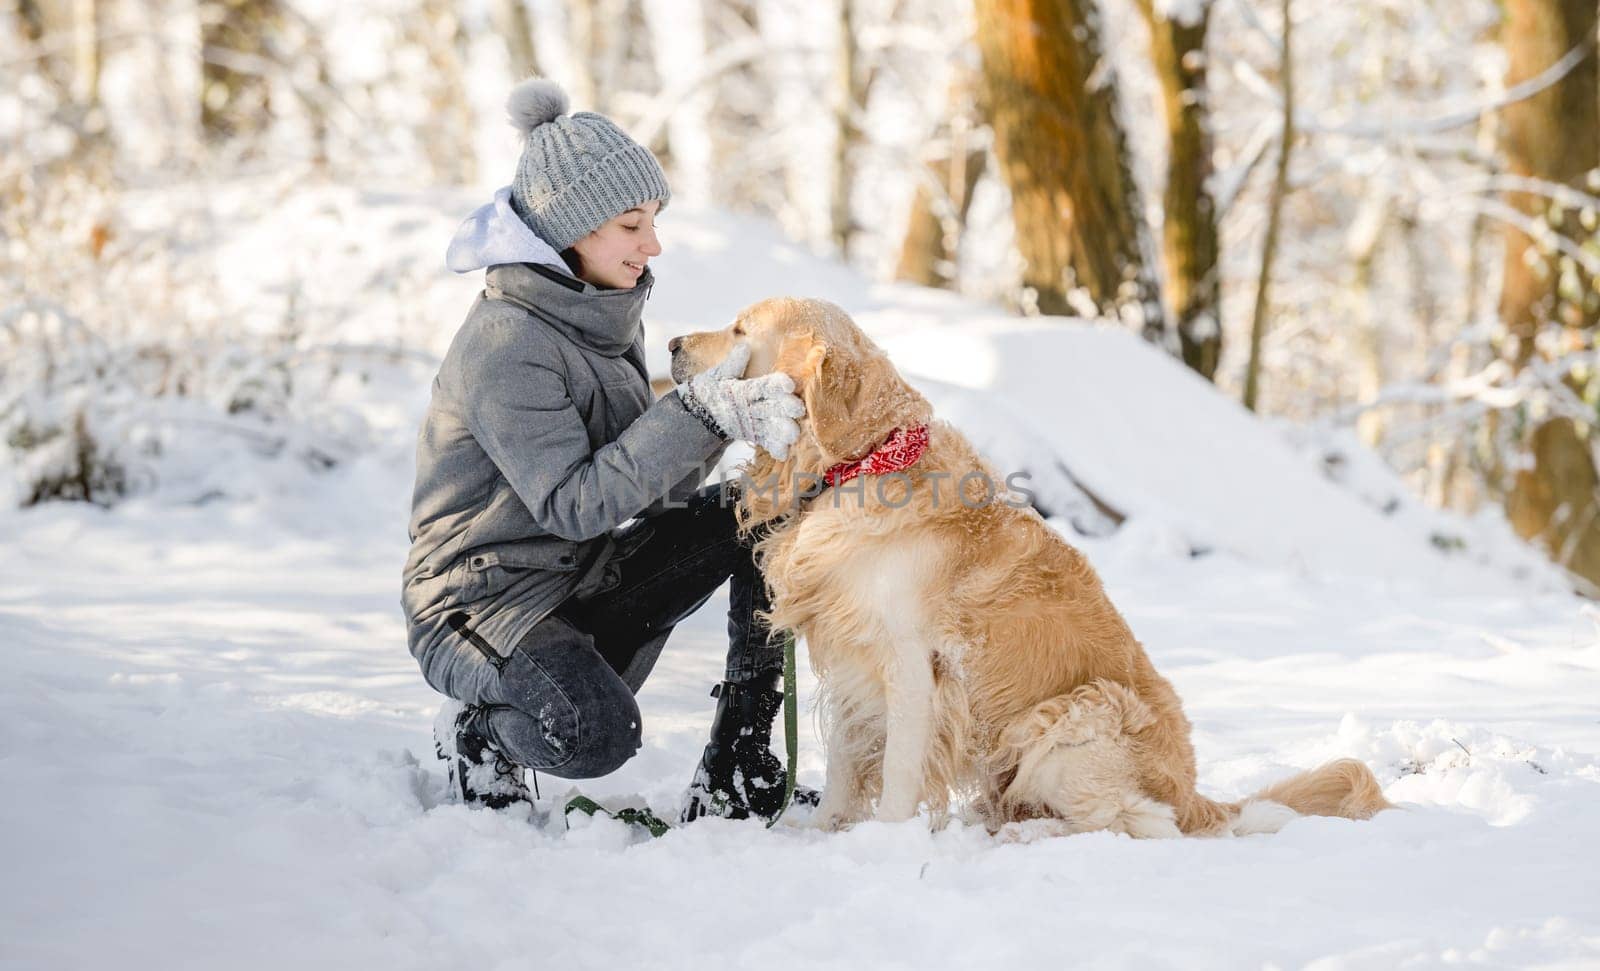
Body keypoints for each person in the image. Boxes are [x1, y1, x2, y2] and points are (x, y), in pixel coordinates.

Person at [403, 78, 810, 821]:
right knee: (595, 733)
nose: (652, 244)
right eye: (631, 224)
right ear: (570, 230)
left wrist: (719, 423)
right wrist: (694, 412)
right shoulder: (506, 343)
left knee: (762, 513)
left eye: (654, 219)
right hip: (478, 604)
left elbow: (646, 489)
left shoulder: (603, 312)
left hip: (576, 574)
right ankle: (479, 732)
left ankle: (739, 761)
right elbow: (575, 502)